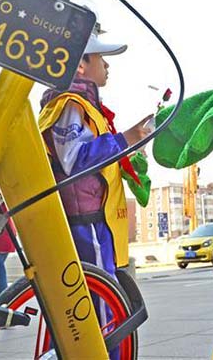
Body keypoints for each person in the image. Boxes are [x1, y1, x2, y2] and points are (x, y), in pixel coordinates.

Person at [38, 24, 152, 278]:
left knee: (103, 289)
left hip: (91, 216)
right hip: (86, 220)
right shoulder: (71, 105)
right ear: (81, 65)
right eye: (102, 58)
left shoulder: (83, 106)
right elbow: (73, 159)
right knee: (99, 295)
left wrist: (128, 148)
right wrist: (125, 139)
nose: (107, 66)